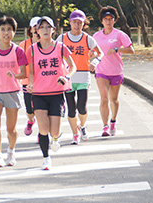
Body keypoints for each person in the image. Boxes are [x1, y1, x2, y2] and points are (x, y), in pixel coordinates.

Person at [26, 16, 76, 170]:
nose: (45, 30)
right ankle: (46, 158)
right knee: (43, 129)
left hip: (56, 94)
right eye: (42, 27)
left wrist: (66, 76)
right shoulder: (32, 50)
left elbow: (72, 66)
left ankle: (56, 138)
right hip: (39, 94)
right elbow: (31, 71)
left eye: (49, 27)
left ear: (53, 30)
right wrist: (31, 84)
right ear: (37, 31)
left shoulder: (61, 47)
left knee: (54, 131)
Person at [0, 16, 28, 168]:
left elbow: (24, 74)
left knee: (11, 129)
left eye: (9, 29)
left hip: (12, 92)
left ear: (14, 32)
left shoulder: (18, 51)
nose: (6, 33)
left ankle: (11, 152)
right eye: (3, 30)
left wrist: (16, 76)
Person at [56, 9, 104, 145]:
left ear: (84, 24)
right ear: (70, 23)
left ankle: (82, 126)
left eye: (80, 23)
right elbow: (55, 54)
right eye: (74, 22)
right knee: (71, 108)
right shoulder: (62, 39)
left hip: (83, 76)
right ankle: (75, 134)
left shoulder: (88, 39)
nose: (77, 25)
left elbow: (100, 53)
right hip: (68, 77)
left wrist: (94, 62)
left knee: (82, 107)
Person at [92, 6, 135, 136]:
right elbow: (93, 51)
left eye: (110, 19)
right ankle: (105, 126)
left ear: (114, 20)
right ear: (102, 21)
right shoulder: (96, 36)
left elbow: (131, 50)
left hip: (116, 71)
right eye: (106, 19)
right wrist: (90, 56)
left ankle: (113, 122)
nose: (108, 22)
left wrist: (117, 49)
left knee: (114, 99)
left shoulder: (119, 35)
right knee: (104, 98)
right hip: (101, 71)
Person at [19, 16, 41, 137]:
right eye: (35, 27)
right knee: (29, 110)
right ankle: (30, 121)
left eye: (40, 27)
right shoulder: (23, 45)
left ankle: (42, 133)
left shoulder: (46, 44)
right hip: (27, 81)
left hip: (42, 82)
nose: (37, 30)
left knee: (41, 109)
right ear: (31, 30)